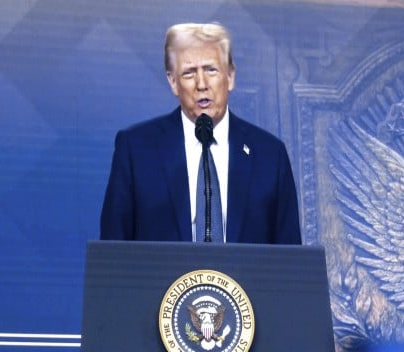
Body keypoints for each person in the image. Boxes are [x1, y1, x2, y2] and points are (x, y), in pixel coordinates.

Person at [99, 22, 302, 245]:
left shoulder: (270, 155)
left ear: (230, 76)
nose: (201, 84)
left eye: (211, 70)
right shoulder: (137, 150)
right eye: (189, 73)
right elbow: (113, 254)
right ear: (173, 82)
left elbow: (289, 261)